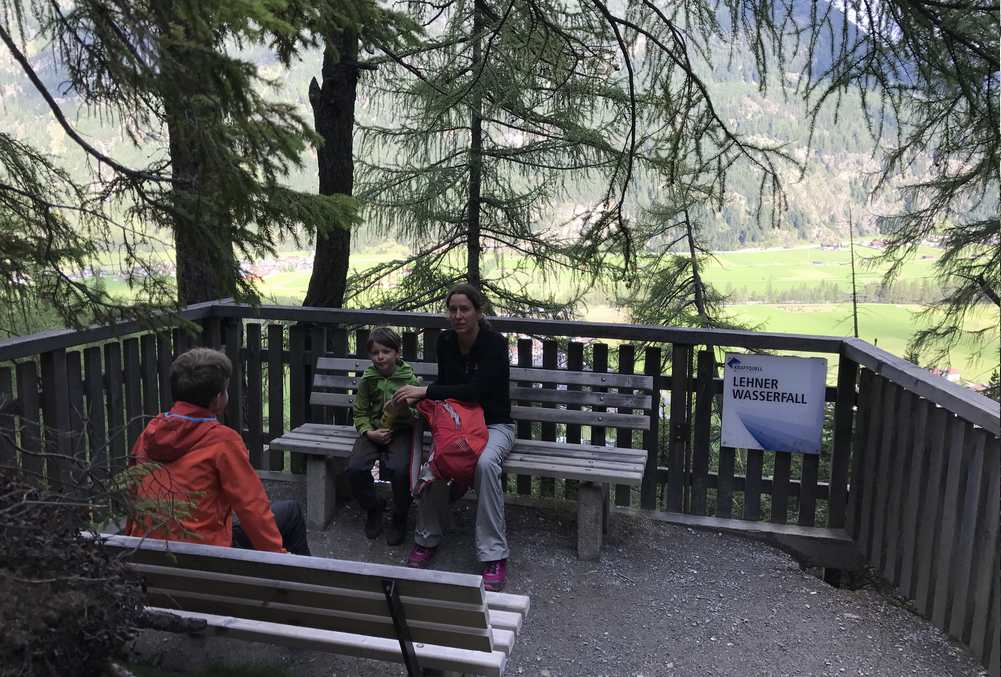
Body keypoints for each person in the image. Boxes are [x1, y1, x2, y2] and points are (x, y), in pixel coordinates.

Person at [126, 347, 310, 555]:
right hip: (205, 560)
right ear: (217, 399)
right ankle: (302, 583)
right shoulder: (223, 442)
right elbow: (252, 508)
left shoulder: (149, 434)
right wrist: (278, 558)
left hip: (147, 554)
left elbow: (133, 499)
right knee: (291, 514)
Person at [392, 284, 515, 591]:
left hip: (494, 425)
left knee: (486, 465)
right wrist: (420, 401)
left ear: (478, 311)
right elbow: (449, 389)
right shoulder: (446, 342)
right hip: (458, 425)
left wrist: (425, 391)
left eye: (465, 309)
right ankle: (426, 539)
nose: (458, 316)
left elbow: (475, 391)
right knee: (433, 466)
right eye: (453, 310)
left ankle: (494, 556)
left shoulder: (494, 344)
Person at [346, 327, 421, 545]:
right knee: (355, 468)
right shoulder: (368, 379)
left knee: (399, 470)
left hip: (401, 431)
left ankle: (399, 516)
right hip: (373, 430)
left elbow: (418, 414)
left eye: (386, 351)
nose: (380, 357)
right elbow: (359, 411)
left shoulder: (409, 380)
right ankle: (374, 507)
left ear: (397, 353)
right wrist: (369, 432)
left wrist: (404, 410)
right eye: (375, 352)